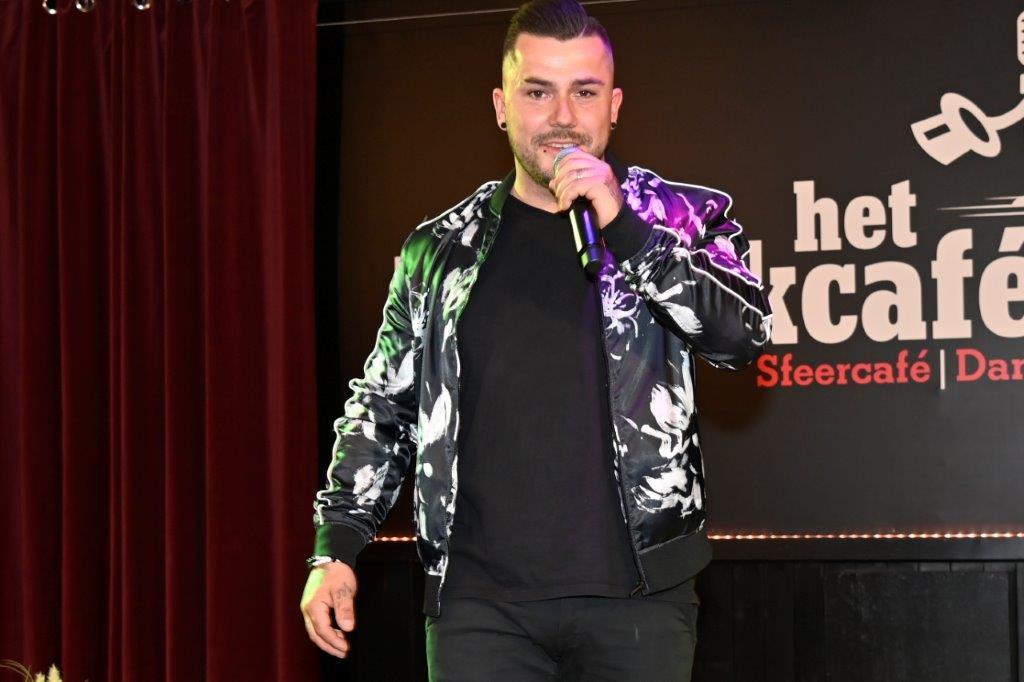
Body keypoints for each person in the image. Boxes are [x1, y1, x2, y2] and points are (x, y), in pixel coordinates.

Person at [299, 1, 772, 679]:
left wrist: (627, 230)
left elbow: (743, 336)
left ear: (614, 106)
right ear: (501, 106)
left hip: (639, 600)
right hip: (479, 608)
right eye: (538, 92)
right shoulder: (439, 250)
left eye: (584, 92)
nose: (563, 116)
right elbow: (382, 405)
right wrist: (337, 546)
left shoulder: (683, 218)